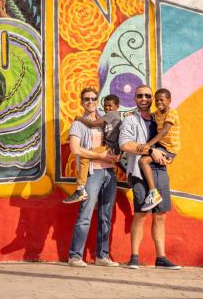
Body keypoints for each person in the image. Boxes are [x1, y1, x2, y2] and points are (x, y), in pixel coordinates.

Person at [119, 85, 181, 270]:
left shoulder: (159, 117)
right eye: (140, 96)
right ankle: (134, 257)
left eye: (147, 95)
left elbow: (170, 140)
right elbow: (125, 144)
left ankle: (161, 258)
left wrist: (164, 155)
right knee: (140, 213)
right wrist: (151, 150)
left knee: (160, 215)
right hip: (139, 171)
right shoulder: (130, 120)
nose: (144, 99)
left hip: (160, 169)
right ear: (135, 99)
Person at [66, 87, 121, 267]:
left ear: (97, 101)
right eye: (86, 99)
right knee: (86, 215)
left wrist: (115, 155)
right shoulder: (78, 124)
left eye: (93, 99)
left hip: (109, 172)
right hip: (93, 172)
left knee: (106, 215)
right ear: (82, 102)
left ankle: (102, 256)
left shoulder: (104, 120)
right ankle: (75, 256)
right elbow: (75, 149)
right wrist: (101, 157)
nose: (90, 102)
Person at [63, 93, 121, 203]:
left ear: (117, 107)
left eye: (110, 106)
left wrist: (79, 118)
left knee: (85, 157)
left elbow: (91, 124)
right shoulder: (108, 118)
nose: (108, 108)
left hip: (110, 148)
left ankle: (80, 189)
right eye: (106, 106)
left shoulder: (112, 115)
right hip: (109, 148)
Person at [137, 88, 180, 211]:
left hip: (169, 149)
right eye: (157, 100)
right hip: (162, 147)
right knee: (143, 159)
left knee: (143, 161)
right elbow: (147, 115)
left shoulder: (172, 113)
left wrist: (148, 145)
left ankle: (153, 193)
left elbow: (164, 131)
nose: (159, 102)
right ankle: (152, 191)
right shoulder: (157, 113)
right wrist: (133, 114)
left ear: (169, 100)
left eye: (162, 100)